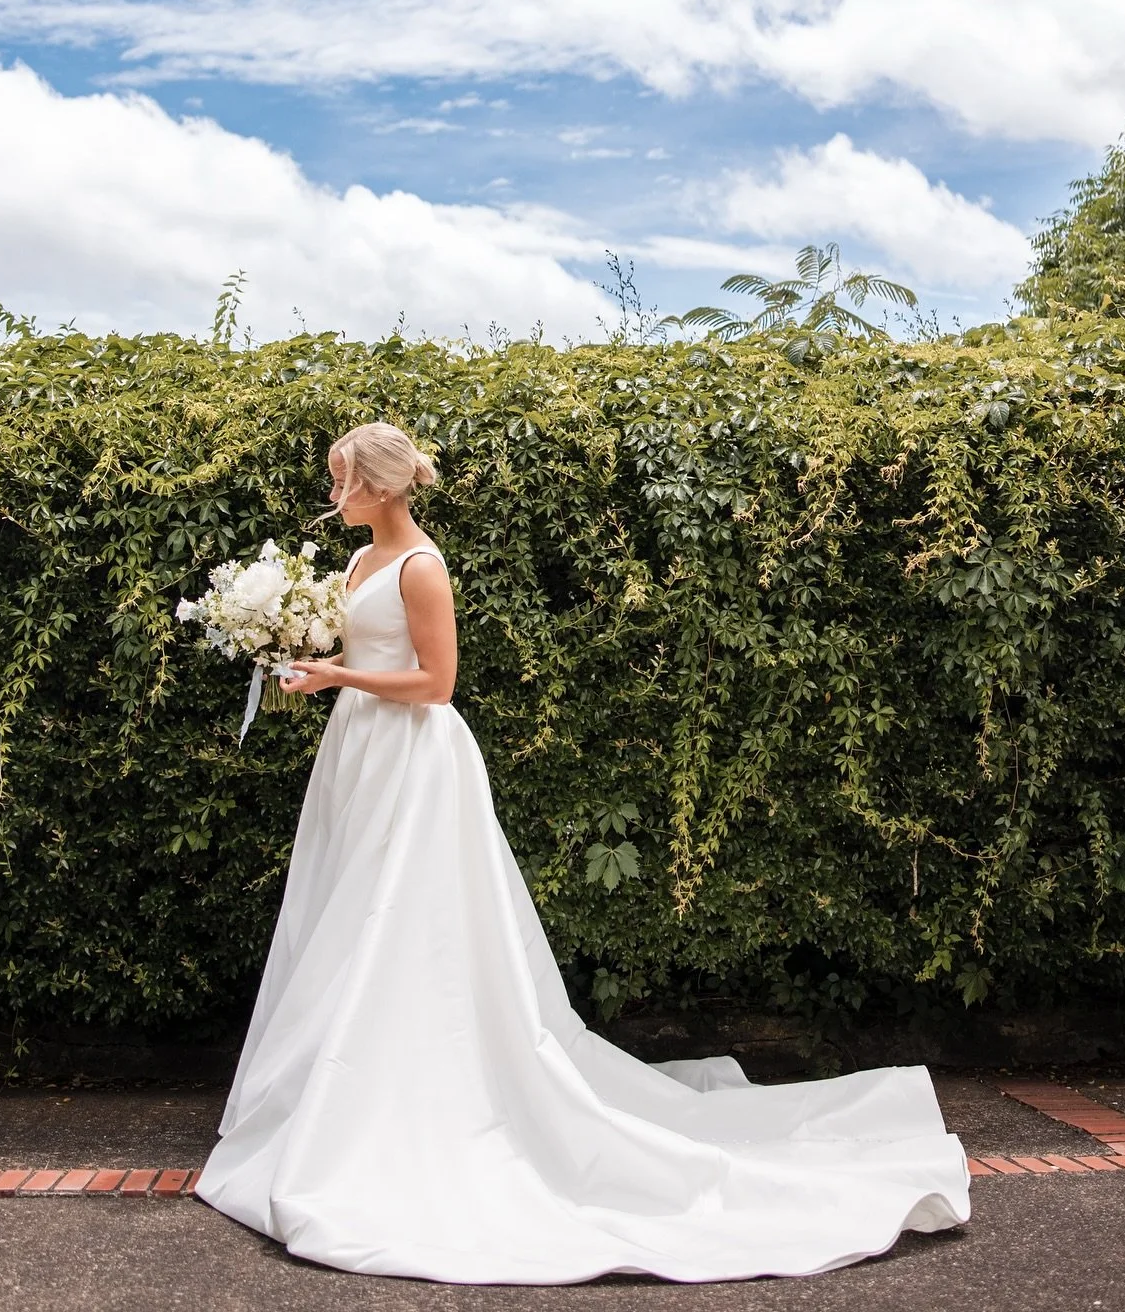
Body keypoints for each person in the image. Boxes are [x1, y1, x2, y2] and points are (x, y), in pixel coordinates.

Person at [195, 421, 969, 1283]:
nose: (331, 492)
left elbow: (437, 684)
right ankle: (335, 1095)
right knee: (344, 914)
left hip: (416, 760)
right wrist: (316, 663)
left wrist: (342, 677)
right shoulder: (355, 564)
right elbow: (372, 650)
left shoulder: (423, 565)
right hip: (357, 753)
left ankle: (405, 1096)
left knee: (400, 917)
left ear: (379, 486)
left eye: (341, 479)